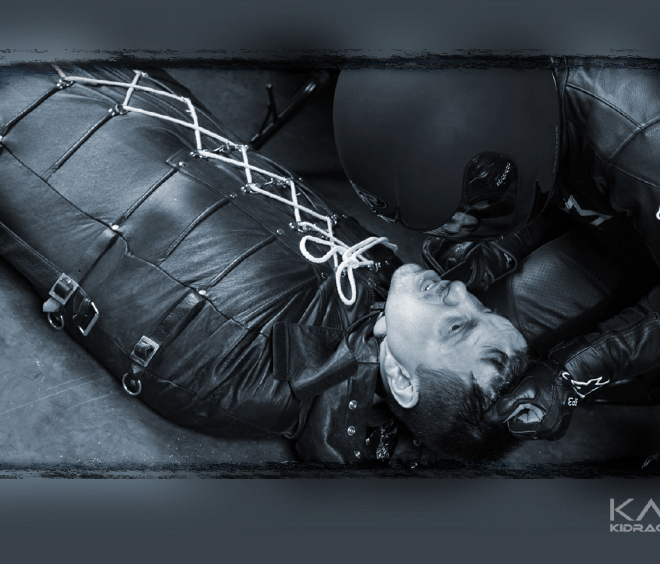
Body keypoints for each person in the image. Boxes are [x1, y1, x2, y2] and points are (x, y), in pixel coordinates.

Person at [0, 63, 541, 464]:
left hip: (28, 110)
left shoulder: (248, 372)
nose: (460, 294)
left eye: (456, 326)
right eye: (484, 310)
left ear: (400, 377)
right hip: (117, 87)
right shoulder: (387, 303)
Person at [332, 61, 660, 468]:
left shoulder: (647, 132)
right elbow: (572, 169)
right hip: (641, 239)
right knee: (498, 369)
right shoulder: (527, 94)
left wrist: (567, 375)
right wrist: (495, 244)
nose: (459, 296)